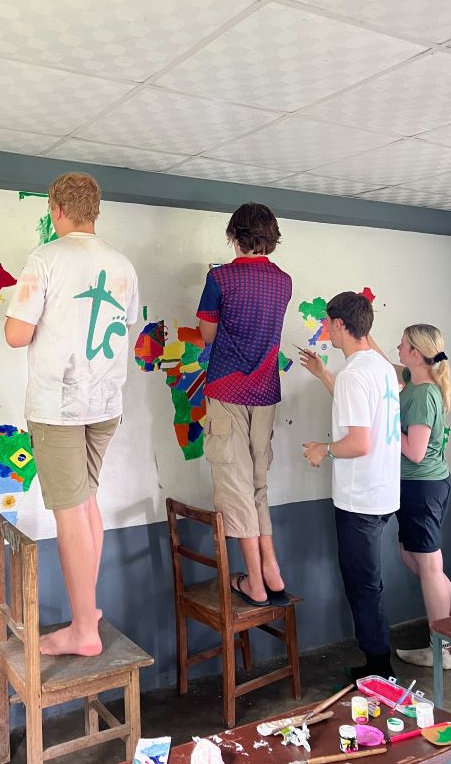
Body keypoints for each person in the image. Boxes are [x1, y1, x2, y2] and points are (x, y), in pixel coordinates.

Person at [5, 173, 138, 656]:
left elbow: (16, 335)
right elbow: (127, 326)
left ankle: (84, 628)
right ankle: (89, 608)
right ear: (95, 212)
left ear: (55, 210)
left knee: (69, 513)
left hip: (59, 404)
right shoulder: (122, 265)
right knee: (86, 504)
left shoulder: (45, 259)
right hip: (104, 404)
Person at [300, 291, 401, 679]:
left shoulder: (354, 375)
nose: (325, 328)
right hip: (382, 493)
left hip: (360, 500)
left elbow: (359, 442)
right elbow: (363, 415)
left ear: (340, 325)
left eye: (328, 322)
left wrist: (322, 450)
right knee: (368, 583)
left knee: (363, 586)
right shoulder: (378, 368)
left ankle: (379, 670)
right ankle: (377, 663)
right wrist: (324, 375)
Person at [196, 203, 292, 608]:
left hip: (227, 389)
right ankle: (272, 568)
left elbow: (207, 333)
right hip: (266, 389)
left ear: (234, 234)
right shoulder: (284, 282)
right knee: (257, 482)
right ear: (271, 237)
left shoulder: (220, 278)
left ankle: (254, 582)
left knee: (234, 486)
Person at [368, 325, 451, 670]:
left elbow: (416, 451)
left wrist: (388, 420)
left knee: (427, 565)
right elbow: (385, 363)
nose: (397, 346)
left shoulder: (422, 394)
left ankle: (440, 650)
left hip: (422, 487)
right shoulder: (414, 378)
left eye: (403, 343)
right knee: (415, 559)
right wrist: (365, 339)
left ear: (416, 353)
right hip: (418, 488)